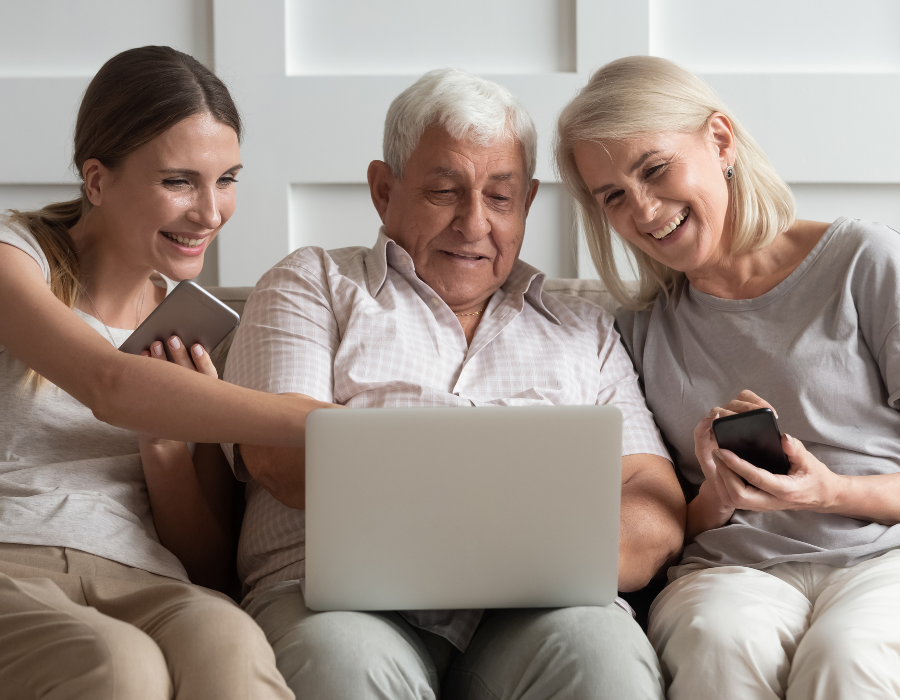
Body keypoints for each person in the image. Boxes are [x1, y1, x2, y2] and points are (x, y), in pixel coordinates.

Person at [222, 67, 686, 700]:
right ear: (383, 190)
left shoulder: (585, 330)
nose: (473, 224)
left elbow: (651, 505)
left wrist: (528, 557)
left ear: (527, 202)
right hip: (335, 606)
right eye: (444, 191)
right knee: (343, 664)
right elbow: (282, 458)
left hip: (534, 609)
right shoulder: (312, 285)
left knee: (603, 654)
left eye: (500, 197)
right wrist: (525, 516)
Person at [555, 55, 900, 699]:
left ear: (719, 140)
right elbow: (664, 525)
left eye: (654, 169)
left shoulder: (863, 261)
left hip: (882, 558)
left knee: (847, 655)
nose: (646, 209)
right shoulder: (638, 333)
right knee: (716, 638)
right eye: (614, 197)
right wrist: (717, 493)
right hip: (732, 572)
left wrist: (826, 493)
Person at [0, 46, 311, 699]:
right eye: (179, 181)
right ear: (97, 180)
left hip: (145, 577)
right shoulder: (14, 260)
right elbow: (108, 384)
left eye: (226, 179)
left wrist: (166, 451)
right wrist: (317, 420)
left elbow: (207, 567)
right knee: (119, 666)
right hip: (14, 563)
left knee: (230, 643)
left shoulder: (196, 334)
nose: (210, 212)